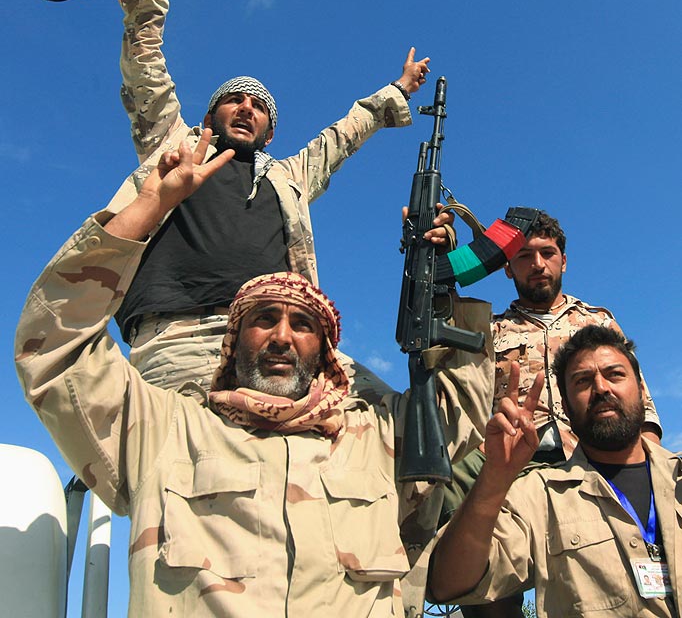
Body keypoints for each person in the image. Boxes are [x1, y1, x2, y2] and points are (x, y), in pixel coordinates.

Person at [15, 134, 494, 617]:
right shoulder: (163, 431)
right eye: (264, 319)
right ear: (233, 339)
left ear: (325, 349)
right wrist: (149, 205)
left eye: (303, 324)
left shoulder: (378, 435)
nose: (282, 337)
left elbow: (461, 405)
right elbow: (55, 341)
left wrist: (439, 281)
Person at [106, 0, 432, 396]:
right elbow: (144, 60)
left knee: (396, 425)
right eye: (233, 100)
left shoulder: (289, 177)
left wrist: (399, 90)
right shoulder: (173, 149)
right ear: (211, 113)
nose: (245, 108)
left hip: (284, 341)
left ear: (269, 132)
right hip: (179, 336)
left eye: (259, 106)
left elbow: (343, 134)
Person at [441, 210, 663, 617]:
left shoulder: (597, 320)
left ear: (564, 260)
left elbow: (640, 407)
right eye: (524, 256)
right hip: (514, 469)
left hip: (592, 471)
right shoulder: (486, 331)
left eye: (548, 253)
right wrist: (436, 252)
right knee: (480, 583)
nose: (538, 264)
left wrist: (651, 484)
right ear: (508, 268)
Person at [428, 325, 680, 617]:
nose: (601, 388)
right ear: (565, 407)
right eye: (583, 381)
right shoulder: (542, 499)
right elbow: (448, 584)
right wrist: (495, 476)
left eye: (615, 374)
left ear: (641, 387)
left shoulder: (676, 478)